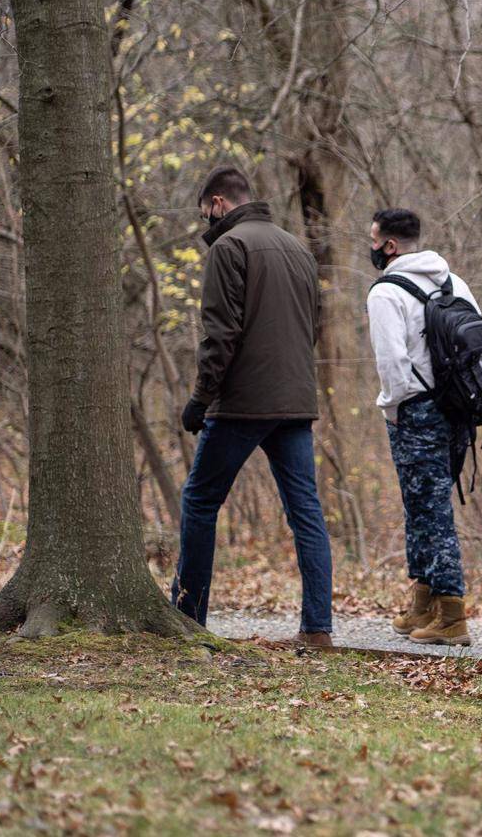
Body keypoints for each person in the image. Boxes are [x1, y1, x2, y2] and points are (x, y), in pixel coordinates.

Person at [173, 167, 333, 647]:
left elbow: (221, 333)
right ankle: (317, 629)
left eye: (205, 212)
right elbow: (314, 327)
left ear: (219, 203)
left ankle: (188, 617)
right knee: (305, 510)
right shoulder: (298, 249)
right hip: (295, 400)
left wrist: (201, 398)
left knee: (199, 501)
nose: (205, 221)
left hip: (243, 402)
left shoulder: (228, 248)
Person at [367, 208, 480, 646]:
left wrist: (393, 409)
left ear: (389, 246)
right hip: (457, 408)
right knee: (423, 505)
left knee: (429, 510)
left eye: (374, 240)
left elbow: (392, 363)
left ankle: (452, 614)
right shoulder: (454, 282)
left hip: (416, 410)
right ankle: (424, 602)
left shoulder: (385, 292)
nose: (372, 248)